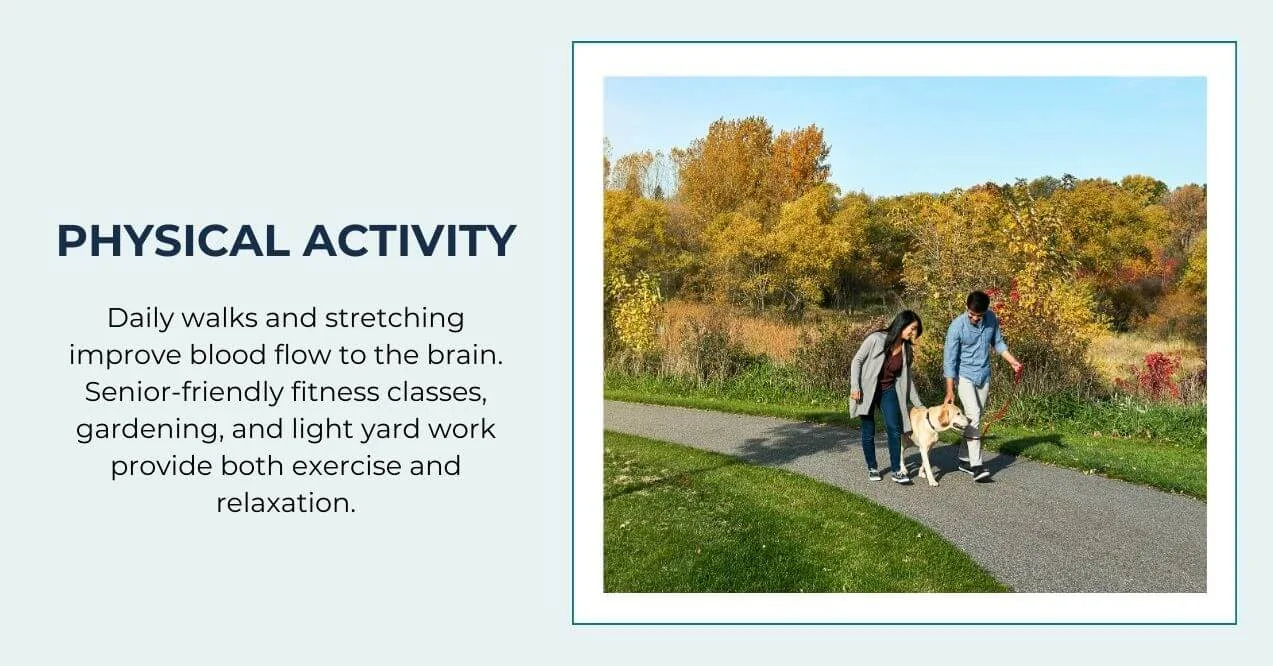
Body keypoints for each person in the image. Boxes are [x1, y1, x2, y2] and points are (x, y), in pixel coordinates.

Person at [942, 290, 1023, 482]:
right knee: (975, 416)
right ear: (967, 308)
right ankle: (976, 466)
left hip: (984, 375)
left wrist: (1012, 361)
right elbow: (949, 361)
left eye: (979, 316)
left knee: (973, 418)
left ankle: (963, 459)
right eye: (972, 314)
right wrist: (949, 390)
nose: (975, 319)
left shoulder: (991, 319)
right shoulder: (956, 327)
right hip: (965, 376)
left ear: (985, 312)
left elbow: (998, 343)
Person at [850, 310, 926, 485]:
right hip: (867, 391)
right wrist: (855, 386)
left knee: (894, 428)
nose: (913, 334)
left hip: (888, 390)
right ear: (902, 324)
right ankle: (872, 467)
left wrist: (919, 405)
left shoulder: (906, 350)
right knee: (869, 431)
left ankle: (896, 470)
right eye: (912, 329)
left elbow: (908, 381)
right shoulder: (876, 339)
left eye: (916, 330)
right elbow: (857, 360)